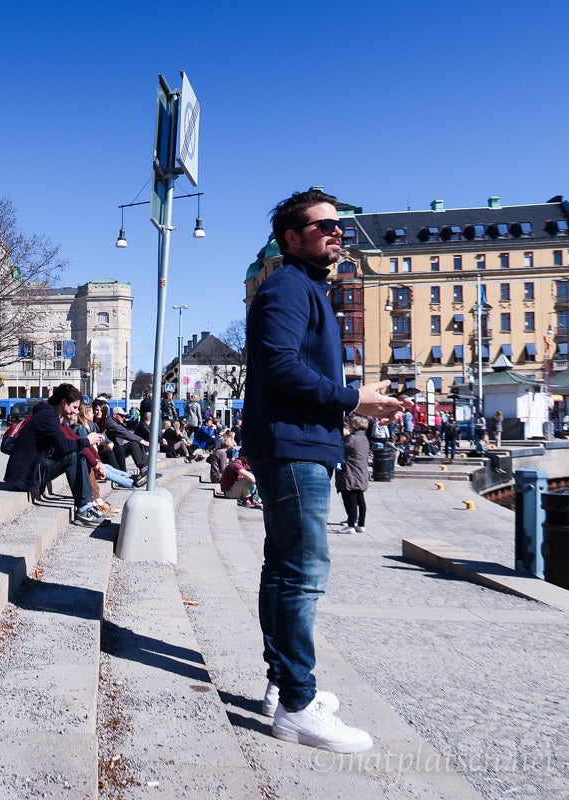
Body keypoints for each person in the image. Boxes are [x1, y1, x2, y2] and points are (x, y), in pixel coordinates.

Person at [244, 188, 404, 753]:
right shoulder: (289, 286)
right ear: (292, 238)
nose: (337, 233)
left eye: (340, 226)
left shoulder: (305, 287)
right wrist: (352, 398)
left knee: (282, 568)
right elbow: (280, 366)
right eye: (324, 226)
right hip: (294, 448)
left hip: (296, 443)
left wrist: (350, 394)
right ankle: (297, 703)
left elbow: (291, 367)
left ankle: (281, 685)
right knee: (303, 573)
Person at [3, 383, 106, 527]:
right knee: (73, 454)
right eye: (75, 407)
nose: (77, 412)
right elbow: (64, 446)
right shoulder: (48, 416)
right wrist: (88, 441)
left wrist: (96, 461)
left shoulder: (53, 415)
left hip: (30, 470)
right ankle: (84, 509)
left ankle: (87, 505)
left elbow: (73, 439)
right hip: (24, 476)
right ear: (64, 402)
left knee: (77, 451)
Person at [338, 417, 370, 534]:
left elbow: (340, 449)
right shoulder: (364, 438)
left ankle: (351, 525)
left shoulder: (352, 439)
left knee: (350, 499)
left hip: (351, 472)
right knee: (360, 499)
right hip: (361, 472)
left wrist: (344, 436)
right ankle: (361, 524)